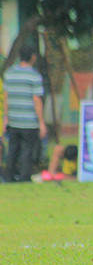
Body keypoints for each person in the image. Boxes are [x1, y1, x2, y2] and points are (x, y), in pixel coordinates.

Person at [2, 46, 47, 183]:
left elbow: (6, 97)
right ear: (33, 57)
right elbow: (36, 100)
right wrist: (41, 122)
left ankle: (9, 177)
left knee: (13, 150)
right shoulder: (34, 76)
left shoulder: (9, 73)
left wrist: (6, 118)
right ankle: (24, 177)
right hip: (29, 121)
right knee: (27, 150)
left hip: (14, 120)